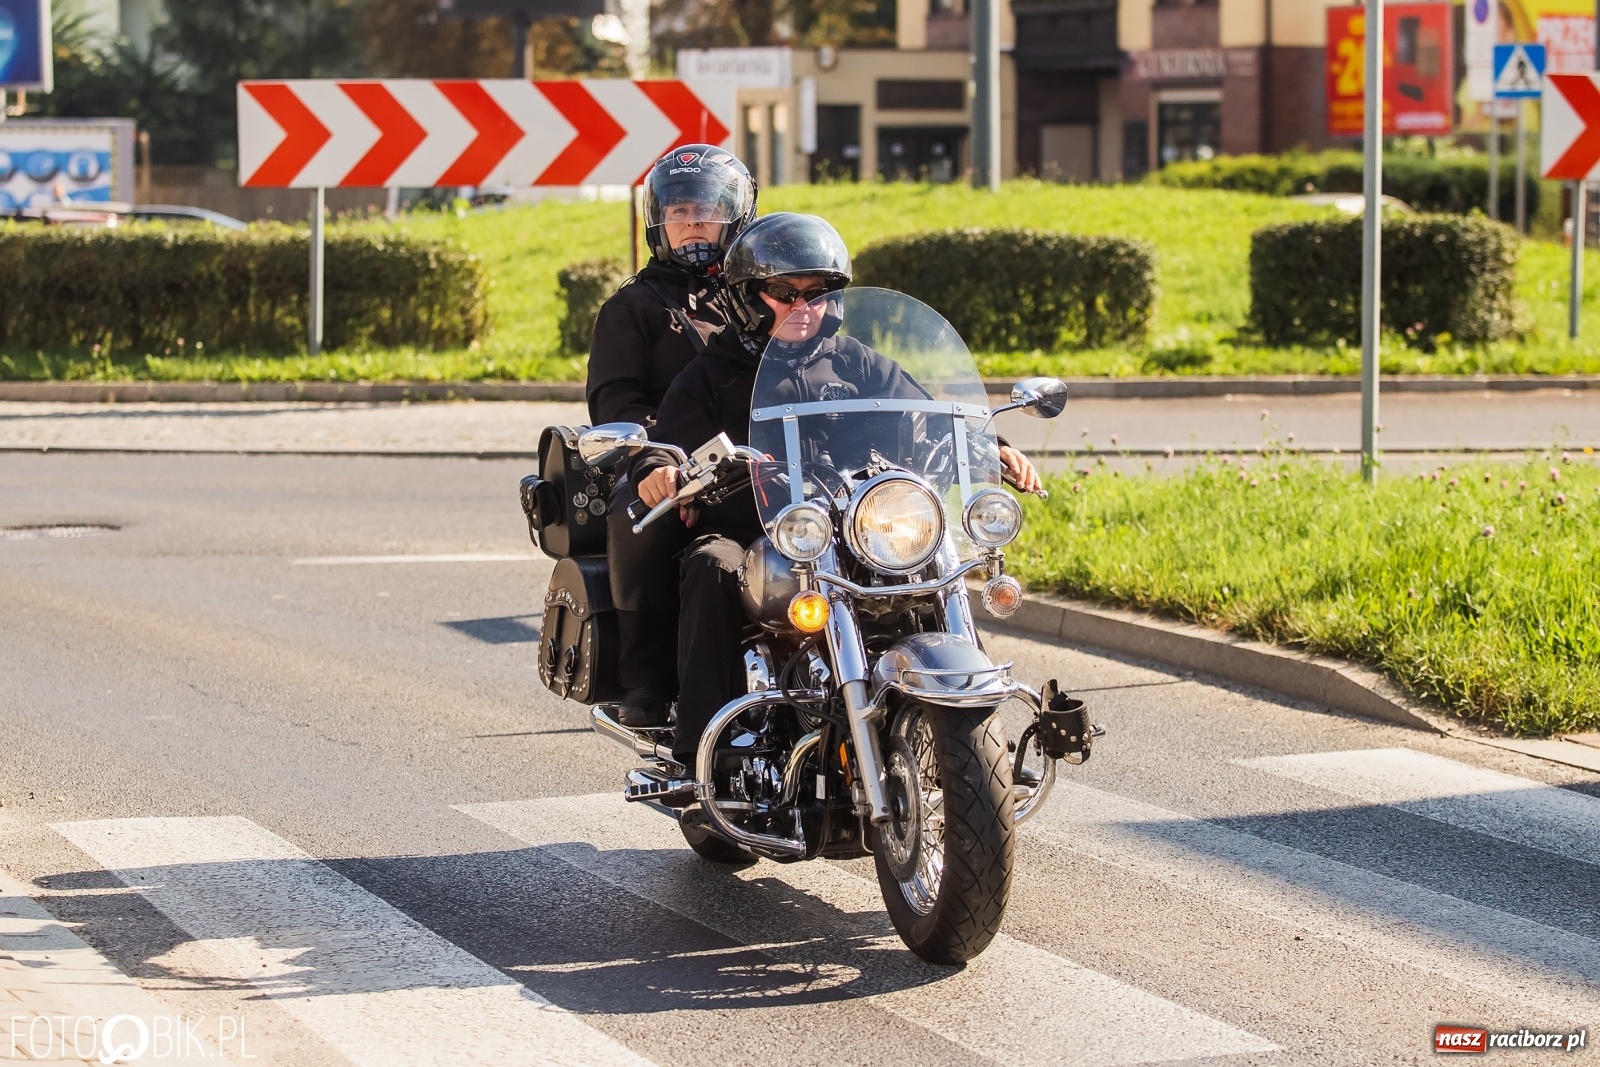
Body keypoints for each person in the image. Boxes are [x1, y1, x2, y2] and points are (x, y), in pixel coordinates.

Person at [631, 213, 1042, 768]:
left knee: (929, 566)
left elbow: (928, 414)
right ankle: (704, 754)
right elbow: (668, 442)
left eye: (817, 293)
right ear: (747, 297)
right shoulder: (712, 374)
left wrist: (992, 446)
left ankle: (977, 734)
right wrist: (661, 468)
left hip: (854, 524)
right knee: (711, 567)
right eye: (784, 292)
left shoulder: (856, 361)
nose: (803, 305)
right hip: (755, 531)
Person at [584, 145, 757, 728]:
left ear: (735, 216)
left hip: (761, 460)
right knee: (638, 510)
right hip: (667, 456)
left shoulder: (765, 295)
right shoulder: (633, 306)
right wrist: (669, 463)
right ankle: (647, 679)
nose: (692, 224)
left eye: (705, 210)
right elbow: (615, 401)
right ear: (658, 222)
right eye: (678, 212)